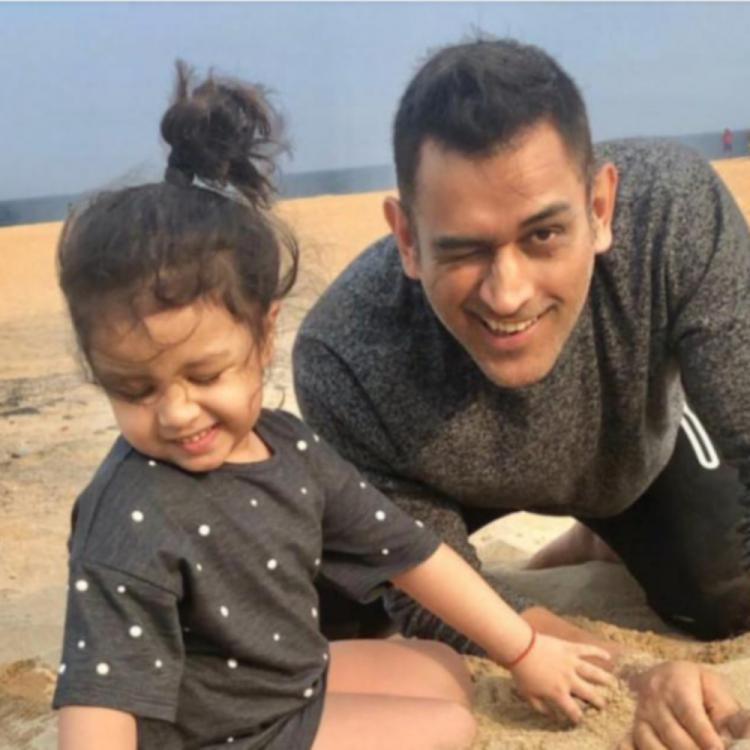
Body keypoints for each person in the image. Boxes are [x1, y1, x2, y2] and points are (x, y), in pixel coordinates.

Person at [51, 62, 618, 750]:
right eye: (135, 389)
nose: (176, 413)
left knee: (445, 669)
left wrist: (525, 650)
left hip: (287, 679)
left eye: (205, 374)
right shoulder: (132, 512)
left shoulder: (288, 448)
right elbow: (98, 697)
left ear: (263, 333)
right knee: (449, 729)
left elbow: (413, 555)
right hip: (219, 733)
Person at [293, 37, 750, 748]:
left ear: (600, 206)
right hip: (444, 482)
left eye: (543, 235)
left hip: (632, 454)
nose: (507, 294)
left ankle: (598, 531)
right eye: (463, 249)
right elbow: (424, 594)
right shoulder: (345, 354)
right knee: (334, 604)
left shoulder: (673, 213)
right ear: (407, 238)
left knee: (725, 597)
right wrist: (633, 677)